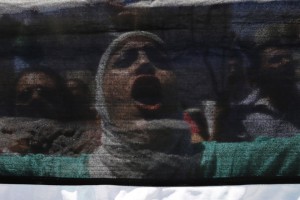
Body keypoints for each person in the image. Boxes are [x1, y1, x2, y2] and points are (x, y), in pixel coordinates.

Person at [0, 32, 300, 180]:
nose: (145, 62)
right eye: (125, 60)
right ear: (102, 101)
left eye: (160, 59)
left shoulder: (230, 164)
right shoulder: (64, 174)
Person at [214, 25, 300, 141]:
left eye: (288, 58)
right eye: (275, 60)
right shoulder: (241, 115)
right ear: (258, 73)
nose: (286, 62)